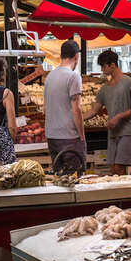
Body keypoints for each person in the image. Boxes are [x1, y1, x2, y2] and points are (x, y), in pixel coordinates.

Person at [83, 50, 131, 175]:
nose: (101, 69)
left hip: (128, 132)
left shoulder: (130, 83)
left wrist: (119, 116)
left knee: (119, 167)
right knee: (114, 170)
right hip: (112, 134)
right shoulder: (105, 88)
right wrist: (76, 118)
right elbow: (93, 111)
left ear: (112, 65)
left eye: (103, 66)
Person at [44, 40, 86, 174]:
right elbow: (76, 109)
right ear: (76, 57)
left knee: (59, 179)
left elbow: (45, 108)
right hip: (69, 137)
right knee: (74, 179)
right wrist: (81, 136)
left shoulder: (50, 76)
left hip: (52, 136)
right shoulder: (73, 77)